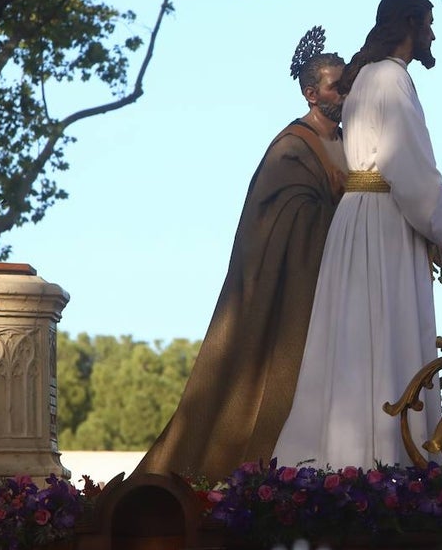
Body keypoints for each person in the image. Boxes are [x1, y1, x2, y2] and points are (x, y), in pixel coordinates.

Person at [135, 31, 347, 482]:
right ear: (311, 93)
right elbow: (274, 222)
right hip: (297, 293)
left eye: (347, 84)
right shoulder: (291, 147)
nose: (345, 92)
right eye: (335, 85)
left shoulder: (354, 140)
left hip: (343, 288)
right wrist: (339, 214)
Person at [272, 0, 442, 468]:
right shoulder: (390, 79)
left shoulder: (366, 80)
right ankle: (385, 466)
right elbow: (409, 168)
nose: (433, 35)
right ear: (409, 25)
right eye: (428, 24)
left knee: (358, 337)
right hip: (382, 221)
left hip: (362, 218)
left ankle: (352, 463)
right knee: (384, 332)